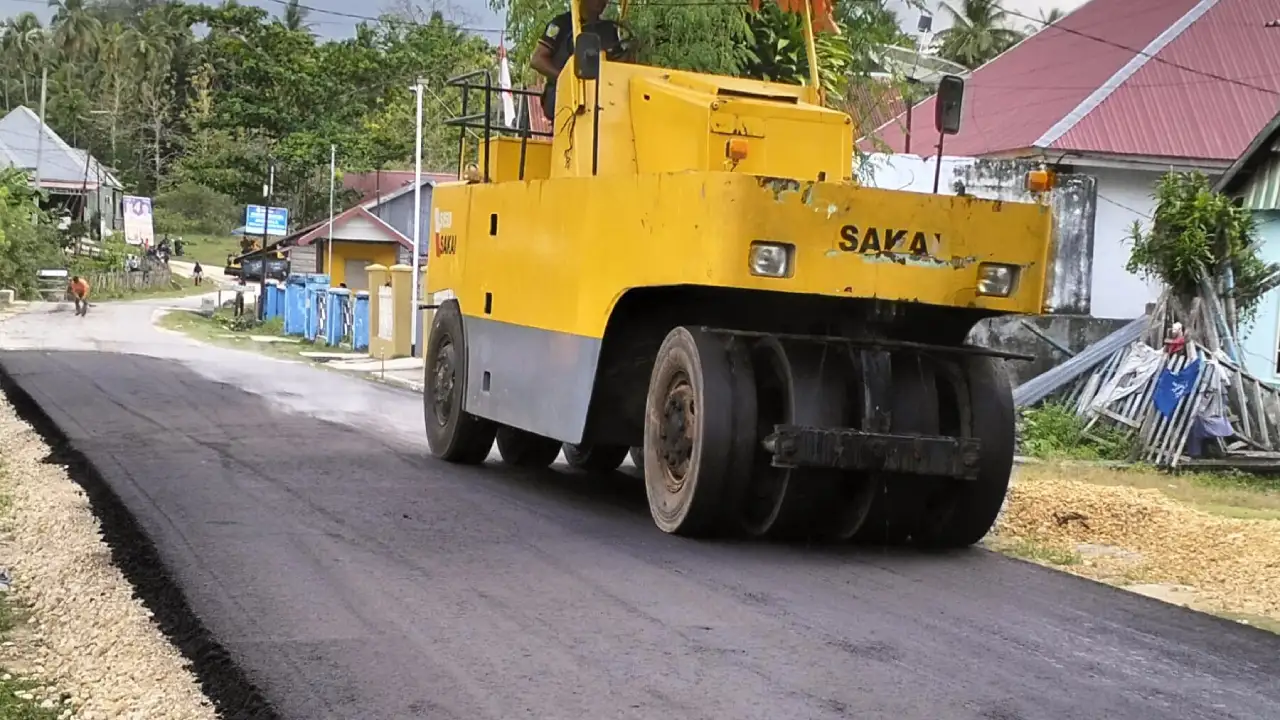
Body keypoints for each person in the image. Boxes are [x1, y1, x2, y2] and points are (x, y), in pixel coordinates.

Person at [530, 0, 622, 122]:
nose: (603, 2)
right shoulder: (561, 24)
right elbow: (537, 60)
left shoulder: (608, 29)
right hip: (564, 95)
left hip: (602, 97)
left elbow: (620, 63)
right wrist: (566, 78)